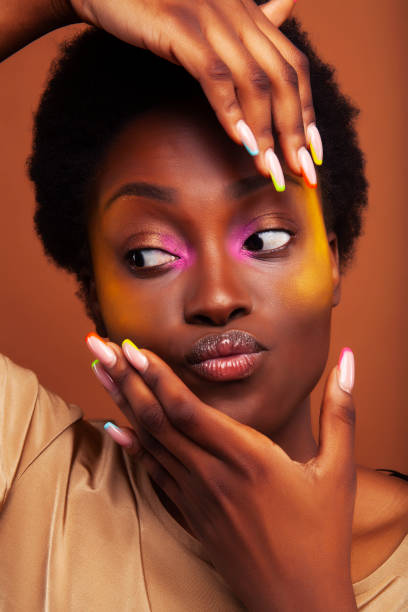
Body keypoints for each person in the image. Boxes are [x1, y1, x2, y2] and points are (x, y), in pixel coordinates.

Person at [0, 0, 407, 610]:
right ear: (93, 293)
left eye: (265, 239)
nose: (217, 300)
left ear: (334, 258)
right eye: (147, 255)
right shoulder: (27, 473)